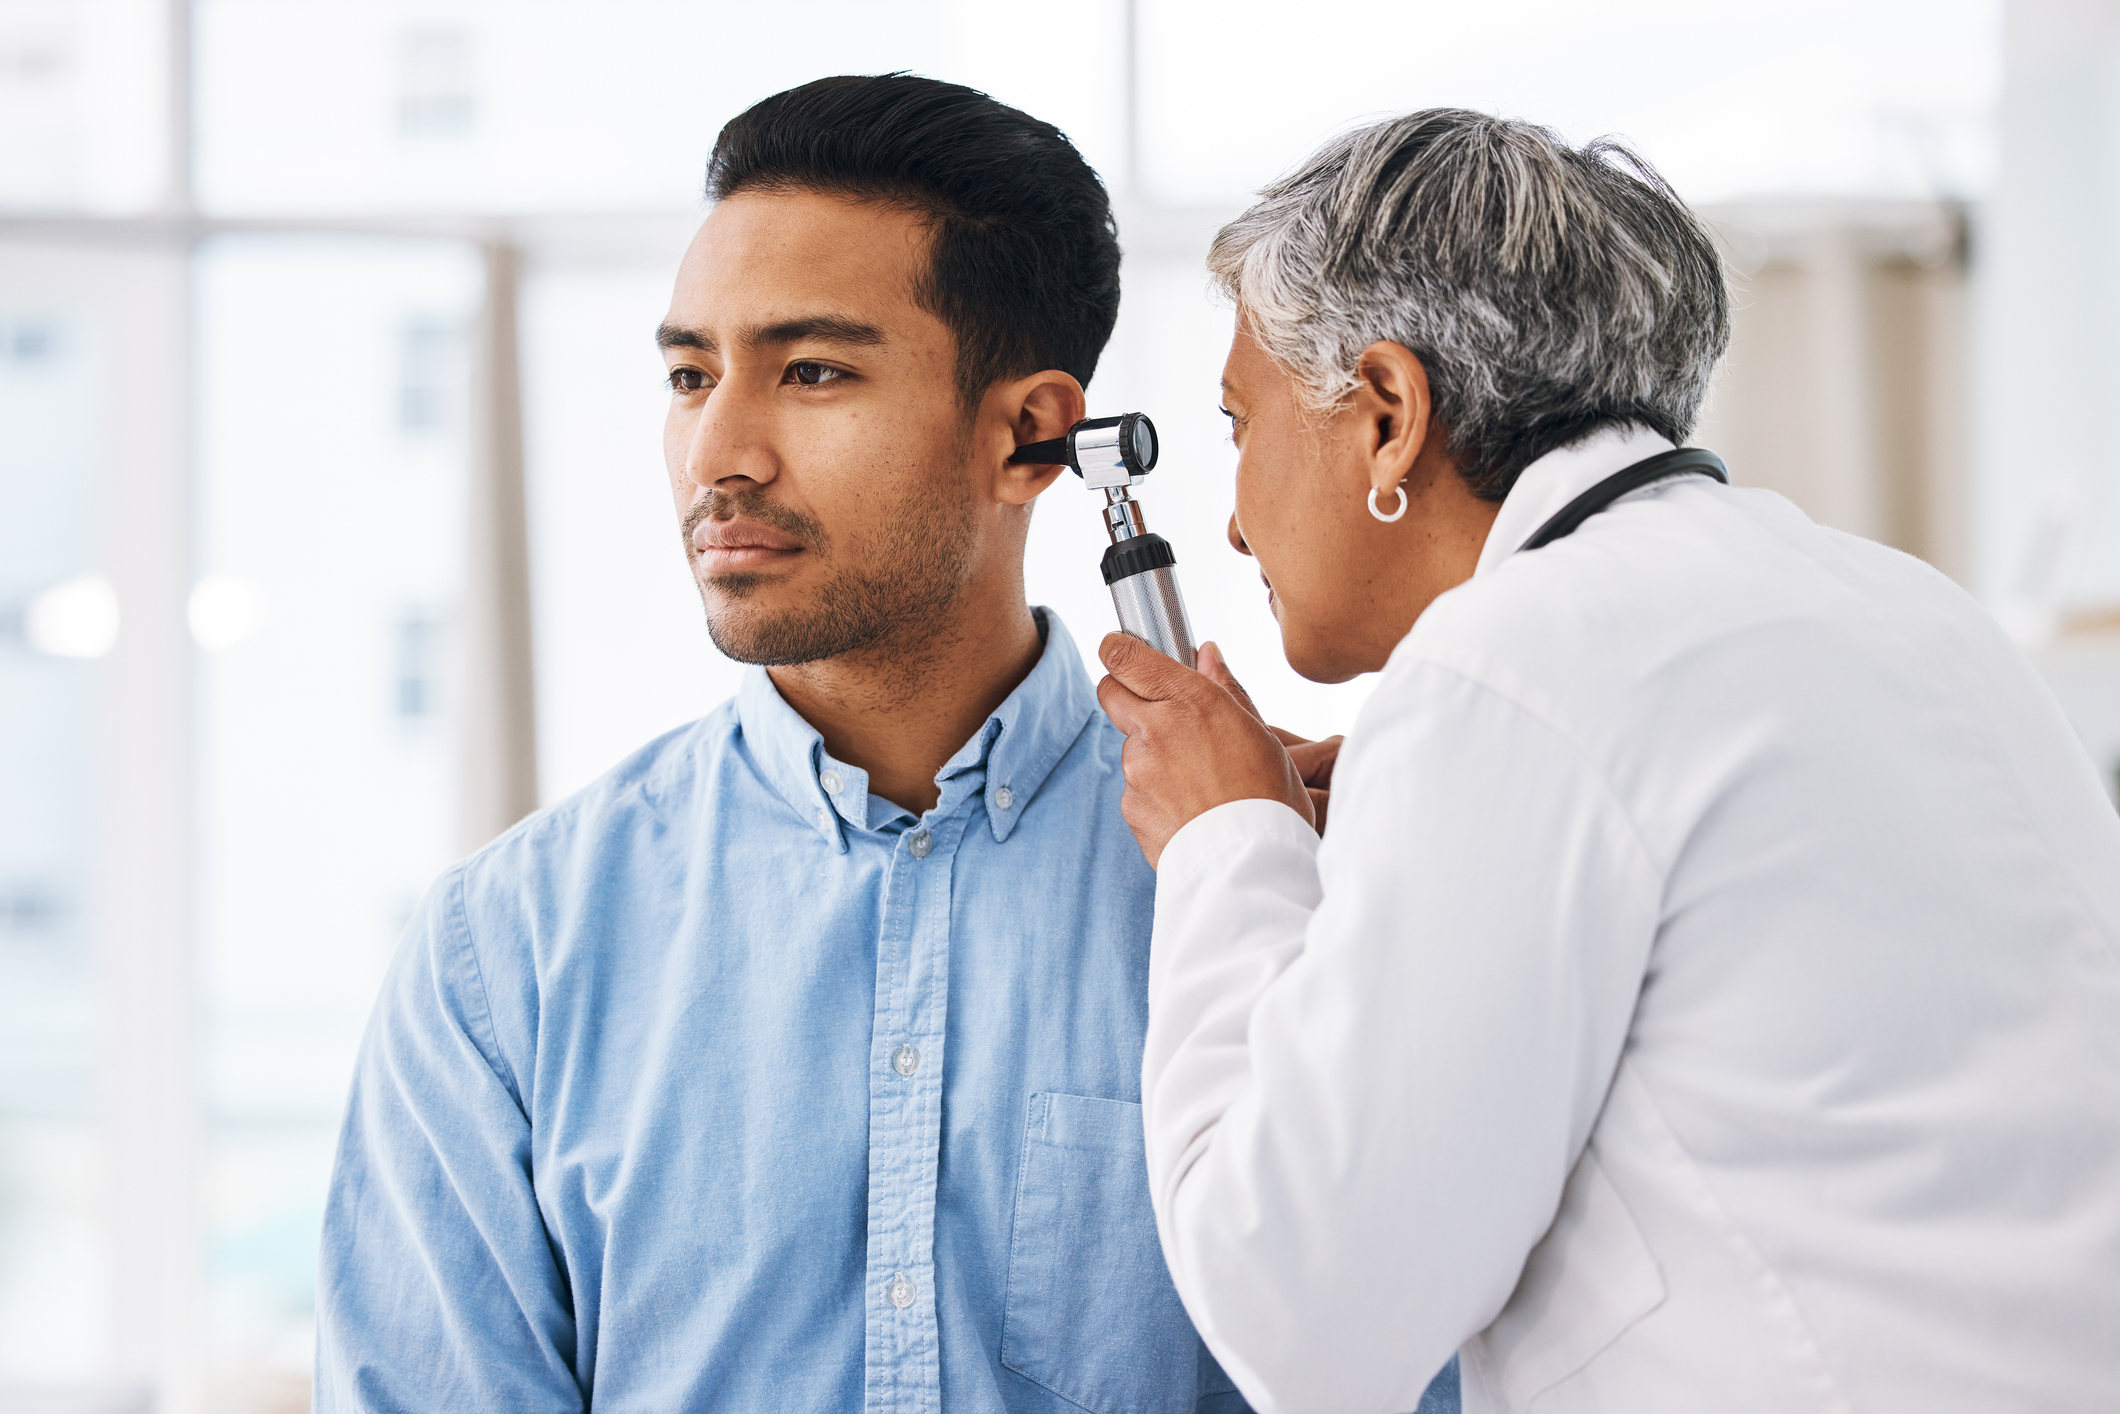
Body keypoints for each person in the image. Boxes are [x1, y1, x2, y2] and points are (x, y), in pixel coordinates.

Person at [1097, 109, 2120, 1414]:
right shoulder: (1903, 603)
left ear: (1390, 415)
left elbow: (1301, 1316)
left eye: (1240, 423)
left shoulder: (1506, 666)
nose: (1233, 521)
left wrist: (1224, 846)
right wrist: (1412, 818)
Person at [316, 75, 1269, 1414]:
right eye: (690, 374)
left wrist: (1271, 861)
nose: (720, 450)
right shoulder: (509, 951)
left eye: (812, 371)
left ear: (1029, 435)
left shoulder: (1256, 895)